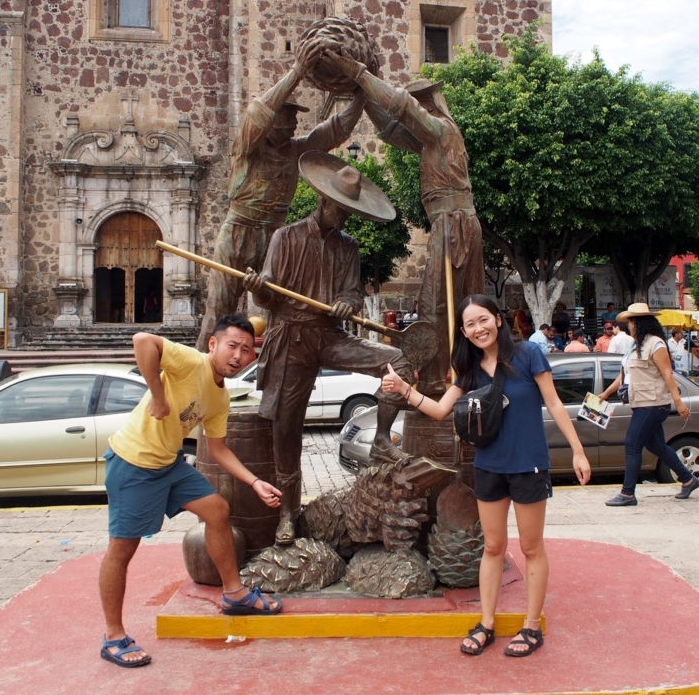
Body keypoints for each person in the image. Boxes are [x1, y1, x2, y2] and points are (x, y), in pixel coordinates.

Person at [381, 294, 591, 658]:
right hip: (489, 467)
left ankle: (530, 625)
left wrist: (577, 449)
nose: (478, 329)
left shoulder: (528, 355)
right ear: (463, 331)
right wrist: (404, 390)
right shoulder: (469, 369)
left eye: (483, 320)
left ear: (497, 319)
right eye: (470, 325)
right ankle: (487, 623)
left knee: (530, 547)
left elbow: (553, 402)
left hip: (529, 465)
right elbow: (441, 410)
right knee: (492, 547)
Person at [243, 154, 415, 543]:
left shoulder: (348, 247)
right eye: (342, 211)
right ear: (325, 202)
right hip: (291, 337)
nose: (346, 218)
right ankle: (288, 513)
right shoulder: (285, 238)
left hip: (331, 335)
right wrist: (259, 289)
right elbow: (267, 299)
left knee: (400, 361)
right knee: (286, 428)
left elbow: (352, 294)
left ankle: (382, 441)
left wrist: (348, 304)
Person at [99, 315, 283, 669]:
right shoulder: (190, 361)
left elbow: (218, 450)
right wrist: (157, 394)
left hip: (169, 465)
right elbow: (143, 340)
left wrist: (255, 482)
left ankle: (234, 594)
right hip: (133, 463)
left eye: (246, 350)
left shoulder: (221, 397)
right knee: (122, 548)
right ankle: (113, 635)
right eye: (232, 345)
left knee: (217, 510)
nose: (238, 356)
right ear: (213, 344)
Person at [330, 49, 485, 398]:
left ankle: (438, 381)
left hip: (453, 224)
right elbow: (390, 129)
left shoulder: (442, 129)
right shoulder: (428, 140)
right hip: (446, 222)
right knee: (439, 304)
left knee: (438, 304)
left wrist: (359, 74)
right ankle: (440, 378)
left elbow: (401, 107)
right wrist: (364, 95)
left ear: (427, 104)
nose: (414, 111)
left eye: (418, 105)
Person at [195, 40, 367, 351]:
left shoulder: (297, 150)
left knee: (280, 310)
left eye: (295, 119)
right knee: (219, 309)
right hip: (239, 231)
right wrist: (297, 71)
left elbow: (335, 130)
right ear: (272, 121)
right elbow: (257, 113)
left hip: (277, 236)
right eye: (286, 117)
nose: (292, 124)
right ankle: (203, 373)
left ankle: (275, 372)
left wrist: (362, 90)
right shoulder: (247, 147)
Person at [597, 303, 699, 507]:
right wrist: (606, 394)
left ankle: (627, 493)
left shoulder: (656, 344)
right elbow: (625, 374)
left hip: (653, 403)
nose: (629, 326)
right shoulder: (636, 345)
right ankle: (688, 479)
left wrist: (678, 402)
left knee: (632, 444)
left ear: (640, 323)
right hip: (641, 402)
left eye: (631, 322)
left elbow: (667, 373)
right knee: (657, 445)